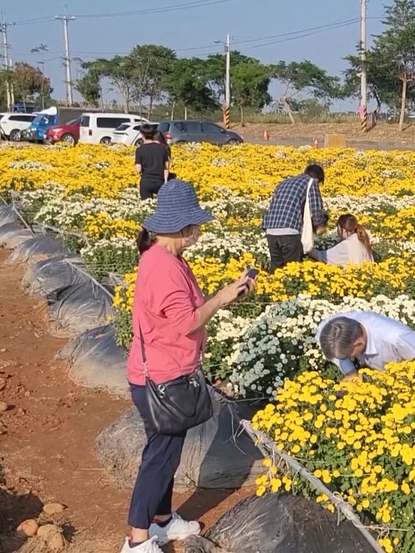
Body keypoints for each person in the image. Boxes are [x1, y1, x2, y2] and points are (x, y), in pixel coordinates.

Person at [121, 179, 256, 553]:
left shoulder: (166, 258)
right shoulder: (163, 266)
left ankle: (162, 520)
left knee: (167, 452)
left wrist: (227, 295)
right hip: (162, 379)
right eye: (196, 224)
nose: (199, 230)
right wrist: (223, 297)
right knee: (159, 458)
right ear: (184, 228)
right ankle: (137, 540)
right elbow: (185, 323)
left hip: (167, 371)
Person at [316, 312, 415, 382]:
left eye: (347, 356)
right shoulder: (326, 330)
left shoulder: (398, 338)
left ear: (358, 343)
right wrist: (350, 372)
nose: (344, 358)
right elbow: (336, 352)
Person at [260, 164, 328, 272]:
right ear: (318, 178)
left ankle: (272, 288)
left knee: (276, 268)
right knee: (292, 269)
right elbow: (316, 207)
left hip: (271, 230)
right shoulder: (311, 182)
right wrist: (319, 225)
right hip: (289, 231)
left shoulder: (284, 182)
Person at [309, 214, 374, 267]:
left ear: (344, 230)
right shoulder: (361, 239)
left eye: (338, 227)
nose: (337, 231)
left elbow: (324, 257)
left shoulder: (346, 245)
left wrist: (309, 249)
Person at [134, 126, 170, 200]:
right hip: (160, 181)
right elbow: (166, 167)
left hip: (146, 181)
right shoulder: (162, 148)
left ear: (142, 135)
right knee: (161, 205)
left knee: (146, 205)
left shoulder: (140, 150)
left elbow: (138, 170)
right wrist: (165, 181)